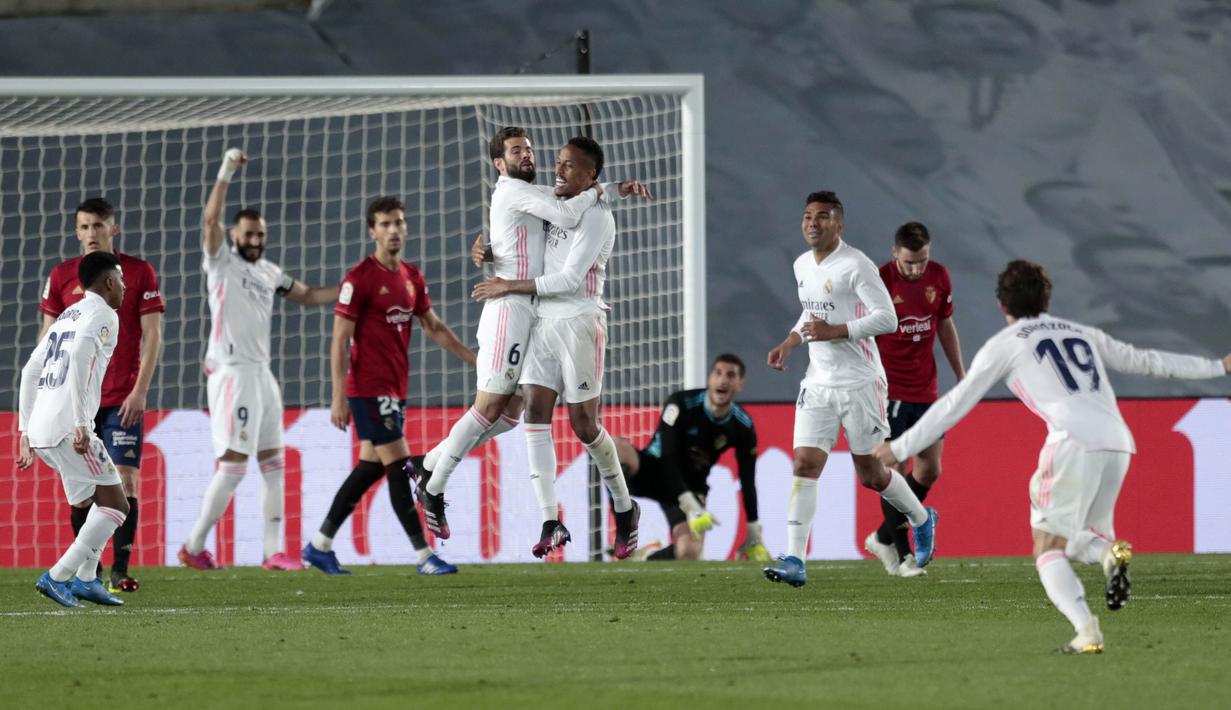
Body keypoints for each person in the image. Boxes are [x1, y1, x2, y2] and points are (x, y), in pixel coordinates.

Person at [875, 259, 1231, 654]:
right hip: (1117, 442)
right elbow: (1146, 361)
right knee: (1078, 539)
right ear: (1046, 300)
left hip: (1073, 441)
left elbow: (955, 403)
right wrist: (1219, 366)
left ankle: (1087, 632)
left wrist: (899, 447)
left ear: (1001, 305)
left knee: (1047, 546)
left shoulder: (1006, 343)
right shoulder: (1081, 332)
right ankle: (1109, 555)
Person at [414, 126, 648, 539]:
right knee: (501, 409)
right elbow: (559, 213)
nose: (546, 164)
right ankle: (440, 487)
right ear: (498, 163)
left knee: (530, 416)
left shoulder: (583, 211)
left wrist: (612, 189)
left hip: (571, 321)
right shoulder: (532, 195)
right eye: (517, 150)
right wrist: (602, 188)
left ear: (588, 173)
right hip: (516, 311)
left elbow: (562, 265)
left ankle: (624, 507)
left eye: (531, 150)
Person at [471, 137, 640, 560]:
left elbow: (567, 280)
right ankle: (550, 521)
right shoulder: (554, 203)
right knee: (535, 411)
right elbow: (526, 246)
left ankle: (625, 508)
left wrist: (508, 285)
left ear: (590, 175)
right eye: (559, 162)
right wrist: (491, 252)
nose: (558, 170)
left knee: (584, 425)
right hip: (542, 321)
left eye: (569, 165)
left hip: (580, 322)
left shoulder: (596, 217)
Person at [762, 191, 937, 588]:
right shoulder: (801, 264)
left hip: (861, 383)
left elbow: (887, 318)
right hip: (818, 382)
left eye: (822, 216)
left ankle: (922, 518)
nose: (813, 222)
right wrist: (791, 340)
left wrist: (836, 331)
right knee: (805, 464)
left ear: (838, 225)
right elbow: (813, 310)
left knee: (872, 475)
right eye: (808, 215)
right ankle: (795, 559)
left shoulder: (856, 265)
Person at [177, 148, 340, 572]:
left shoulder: (268, 271)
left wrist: (348, 291)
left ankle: (272, 552)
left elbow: (307, 295)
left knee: (274, 463)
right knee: (234, 465)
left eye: (260, 235)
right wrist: (226, 170)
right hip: (233, 375)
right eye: (248, 234)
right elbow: (209, 221)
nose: (255, 240)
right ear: (235, 235)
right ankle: (194, 544)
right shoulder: (221, 261)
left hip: (262, 374)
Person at [301, 195, 476, 575]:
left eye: (398, 222)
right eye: (385, 224)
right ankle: (424, 556)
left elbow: (433, 327)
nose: (393, 230)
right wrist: (338, 397)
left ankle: (319, 545)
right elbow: (339, 340)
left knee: (369, 468)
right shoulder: (359, 279)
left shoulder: (412, 277)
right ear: (372, 232)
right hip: (367, 389)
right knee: (399, 466)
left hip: (395, 390)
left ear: (405, 227)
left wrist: (476, 361)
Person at [38, 198, 164, 593]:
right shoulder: (62, 276)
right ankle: (81, 575)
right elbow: (47, 339)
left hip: (122, 398)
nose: (91, 233)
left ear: (113, 228)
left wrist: (140, 390)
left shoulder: (138, 273)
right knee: (82, 496)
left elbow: (153, 334)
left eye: (98, 225)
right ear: (77, 232)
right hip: (78, 402)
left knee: (125, 480)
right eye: (85, 226)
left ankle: (119, 570)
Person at [19, 252, 130, 608]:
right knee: (117, 505)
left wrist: (24, 430)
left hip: (42, 428)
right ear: (109, 282)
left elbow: (29, 371)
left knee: (91, 500)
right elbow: (82, 353)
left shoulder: (67, 316)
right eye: (121, 280)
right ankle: (58, 576)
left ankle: (86, 579)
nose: (125, 287)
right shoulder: (105, 314)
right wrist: (82, 423)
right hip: (70, 428)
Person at [866, 221, 965, 577]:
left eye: (922, 260)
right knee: (895, 470)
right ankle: (903, 554)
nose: (916, 269)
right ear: (895, 253)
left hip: (927, 390)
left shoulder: (939, 276)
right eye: (909, 262)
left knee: (929, 469)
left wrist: (961, 374)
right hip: (889, 391)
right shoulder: (879, 282)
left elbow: (944, 325)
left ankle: (882, 537)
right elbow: (863, 336)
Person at [614, 353, 768, 561]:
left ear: (741, 384)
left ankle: (646, 557)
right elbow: (668, 456)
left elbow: (747, 479)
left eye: (731, 375)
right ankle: (624, 529)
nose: (722, 380)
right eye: (718, 373)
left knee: (689, 551)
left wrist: (753, 526)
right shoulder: (681, 403)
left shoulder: (742, 426)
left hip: (691, 484)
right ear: (710, 378)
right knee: (615, 449)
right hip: (654, 470)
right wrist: (687, 501)